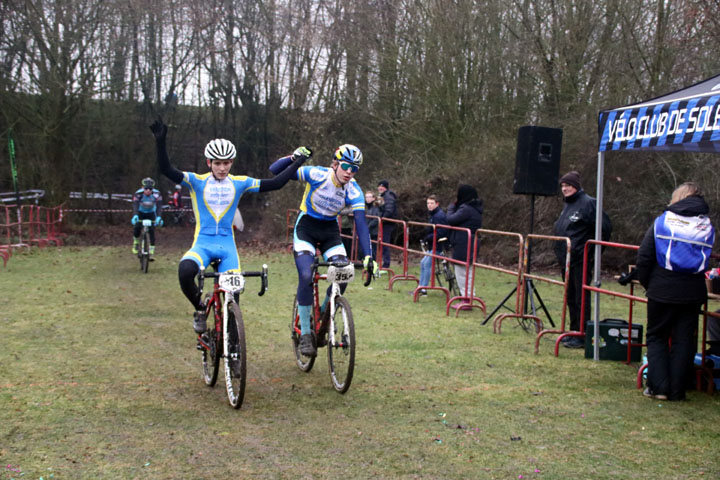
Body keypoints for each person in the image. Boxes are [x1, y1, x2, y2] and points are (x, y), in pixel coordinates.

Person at [150, 117, 309, 334]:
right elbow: (167, 169)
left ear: (231, 162)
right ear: (209, 163)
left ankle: (234, 351)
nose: (223, 168)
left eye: (226, 163)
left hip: (227, 249)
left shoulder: (240, 182)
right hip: (203, 245)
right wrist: (160, 142)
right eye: (217, 163)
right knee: (186, 271)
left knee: (233, 301)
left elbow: (276, 183)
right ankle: (199, 308)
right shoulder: (196, 181)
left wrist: (297, 161)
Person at [269, 144, 378, 357]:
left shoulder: (354, 190)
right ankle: (307, 335)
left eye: (354, 169)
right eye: (346, 166)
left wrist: (368, 257)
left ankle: (325, 312)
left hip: (329, 231)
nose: (349, 172)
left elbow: (361, 225)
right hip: (306, 228)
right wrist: (295, 157)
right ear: (335, 164)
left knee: (344, 274)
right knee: (306, 275)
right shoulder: (318, 174)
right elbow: (275, 171)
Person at [636, 182, 715, 401]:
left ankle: (658, 387)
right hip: (692, 289)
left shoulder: (663, 221)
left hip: (662, 286)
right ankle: (678, 389)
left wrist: (647, 283)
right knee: (684, 340)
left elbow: (644, 256)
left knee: (657, 336)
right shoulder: (706, 225)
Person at [553, 170, 612, 348]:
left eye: (568, 185)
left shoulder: (589, 204)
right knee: (570, 296)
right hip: (566, 259)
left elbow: (605, 228)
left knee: (581, 297)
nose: (565, 189)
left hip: (581, 259)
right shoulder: (567, 205)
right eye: (563, 186)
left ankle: (582, 333)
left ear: (576, 186)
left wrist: (593, 252)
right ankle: (573, 330)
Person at [446, 185, 483, 299]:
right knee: (468, 271)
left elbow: (450, 219)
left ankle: (466, 297)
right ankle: (468, 296)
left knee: (462, 272)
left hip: (463, 243)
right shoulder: (476, 208)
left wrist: (452, 207)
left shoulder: (466, 209)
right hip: (470, 242)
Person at [418, 194, 448, 295]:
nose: (429, 205)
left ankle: (423, 289)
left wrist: (428, 237)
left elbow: (442, 232)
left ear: (437, 204)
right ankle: (420, 286)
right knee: (423, 262)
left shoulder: (439, 215)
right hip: (433, 244)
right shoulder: (432, 214)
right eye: (428, 203)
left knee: (426, 263)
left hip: (439, 245)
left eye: (432, 203)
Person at [131, 177, 163, 257]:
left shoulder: (157, 194)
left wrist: (159, 217)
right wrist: (135, 215)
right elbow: (135, 204)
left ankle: (151, 252)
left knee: (152, 230)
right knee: (137, 227)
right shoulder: (138, 194)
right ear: (143, 188)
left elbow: (159, 206)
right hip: (140, 212)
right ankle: (136, 243)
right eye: (146, 189)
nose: (148, 190)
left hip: (151, 213)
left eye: (150, 189)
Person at [377, 180, 398, 268]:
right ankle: (383, 262)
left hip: (387, 223)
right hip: (384, 222)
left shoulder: (388, 196)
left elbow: (389, 210)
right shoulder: (382, 196)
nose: (380, 188)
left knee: (385, 243)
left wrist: (382, 219)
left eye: (383, 186)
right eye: (379, 186)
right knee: (382, 243)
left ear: (386, 188)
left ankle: (386, 264)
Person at [365, 190, 383, 260]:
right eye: (366, 197)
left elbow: (376, 219)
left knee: (373, 248)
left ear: (373, 198)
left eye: (369, 197)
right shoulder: (367, 207)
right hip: (368, 230)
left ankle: (373, 262)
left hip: (373, 232)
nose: (368, 199)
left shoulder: (376, 207)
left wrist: (368, 227)